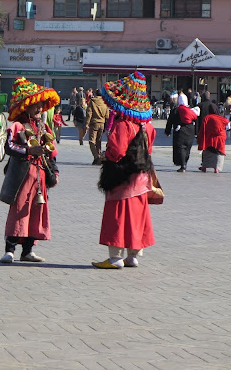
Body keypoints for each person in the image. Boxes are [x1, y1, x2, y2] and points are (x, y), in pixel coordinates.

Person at [93, 72, 156, 269]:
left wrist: (106, 156)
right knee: (137, 217)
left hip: (122, 178)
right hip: (141, 178)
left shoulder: (123, 124)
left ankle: (115, 258)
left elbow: (117, 152)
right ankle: (133, 256)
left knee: (119, 216)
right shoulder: (148, 126)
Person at [0, 77, 60, 264]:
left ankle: (28, 250)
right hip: (22, 176)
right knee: (19, 210)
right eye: (36, 106)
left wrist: (55, 172)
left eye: (41, 106)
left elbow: (52, 153)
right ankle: (10, 249)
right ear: (26, 107)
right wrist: (28, 150)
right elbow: (8, 147)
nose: (40, 109)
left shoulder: (44, 127)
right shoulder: (17, 126)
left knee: (36, 211)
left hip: (40, 176)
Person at [164, 92, 198, 172]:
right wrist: (196, 132)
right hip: (190, 131)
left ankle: (183, 165)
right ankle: (185, 162)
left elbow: (170, 121)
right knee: (188, 148)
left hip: (180, 131)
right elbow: (196, 120)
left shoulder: (176, 110)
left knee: (181, 147)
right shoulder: (191, 110)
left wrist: (167, 131)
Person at [197, 105, 229, 173]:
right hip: (220, 138)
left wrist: (200, 138)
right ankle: (216, 168)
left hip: (209, 138)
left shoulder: (207, 118)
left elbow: (203, 129)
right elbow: (226, 122)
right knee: (218, 153)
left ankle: (204, 166)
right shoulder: (221, 118)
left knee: (207, 152)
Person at [85, 89, 109, 165]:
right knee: (98, 141)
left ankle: (96, 157)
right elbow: (107, 114)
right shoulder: (105, 102)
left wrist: (87, 123)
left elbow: (89, 113)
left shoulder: (92, 101)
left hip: (94, 123)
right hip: (102, 123)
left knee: (91, 141)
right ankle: (98, 157)